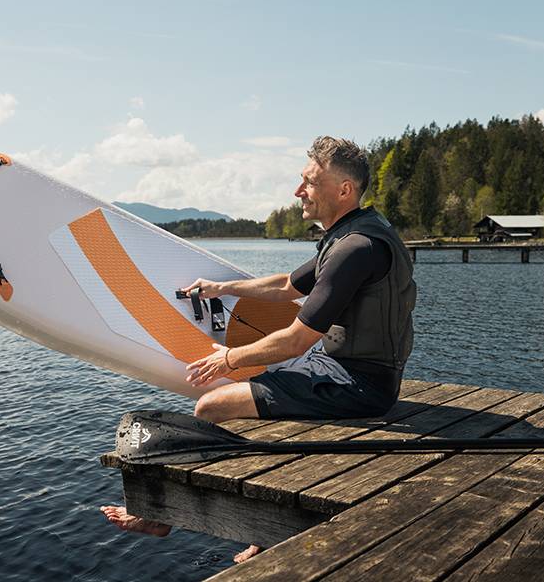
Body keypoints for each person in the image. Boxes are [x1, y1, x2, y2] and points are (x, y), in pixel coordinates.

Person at [101, 136, 417, 563]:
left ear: (344, 190)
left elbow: (297, 339)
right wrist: (221, 287)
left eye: (309, 182)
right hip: (351, 373)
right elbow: (287, 285)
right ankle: (263, 533)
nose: (298, 191)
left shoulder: (355, 249)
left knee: (210, 407)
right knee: (251, 391)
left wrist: (226, 358)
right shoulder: (355, 234)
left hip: (358, 385)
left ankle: (163, 513)